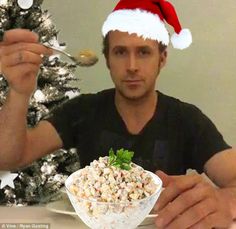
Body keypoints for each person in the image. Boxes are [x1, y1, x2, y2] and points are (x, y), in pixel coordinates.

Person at [0, 0, 236, 228]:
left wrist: (226, 202)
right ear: (107, 60)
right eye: (121, 52)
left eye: (143, 52)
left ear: (162, 58)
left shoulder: (187, 120)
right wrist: (19, 93)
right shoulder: (83, 110)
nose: (132, 65)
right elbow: (11, 157)